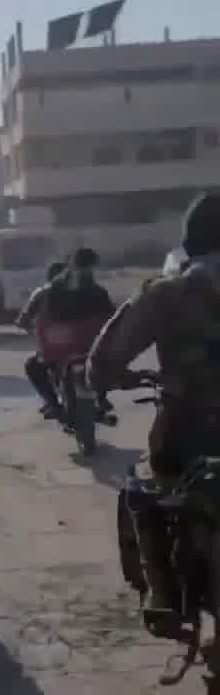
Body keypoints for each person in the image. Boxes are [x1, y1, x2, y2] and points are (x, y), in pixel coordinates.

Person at [88, 192, 220, 613]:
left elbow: (103, 360)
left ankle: (163, 595)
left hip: (186, 438)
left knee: (140, 485)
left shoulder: (167, 293)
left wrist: (110, 380)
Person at [17, 260, 68, 418]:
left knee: (32, 366)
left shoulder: (41, 293)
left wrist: (36, 334)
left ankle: (53, 404)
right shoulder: (84, 292)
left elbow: (23, 320)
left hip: (53, 350)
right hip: (85, 348)